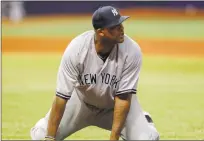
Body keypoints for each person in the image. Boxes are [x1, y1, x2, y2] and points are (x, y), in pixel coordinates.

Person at [30, 6, 159, 140]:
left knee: (146, 139)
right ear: (101, 31)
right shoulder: (77, 49)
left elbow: (123, 98)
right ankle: (42, 126)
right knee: (41, 137)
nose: (121, 28)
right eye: (115, 26)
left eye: (120, 23)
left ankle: (146, 123)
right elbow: (61, 98)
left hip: (114, 108)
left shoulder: (131, 50)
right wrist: (50, 137)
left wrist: (113, 138)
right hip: (80, 104)